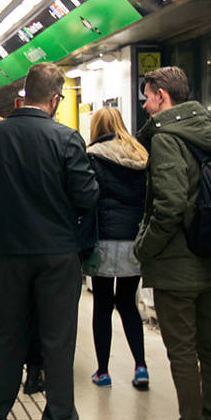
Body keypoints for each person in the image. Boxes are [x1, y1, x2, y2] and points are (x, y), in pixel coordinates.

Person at [0, 62, 99, 420]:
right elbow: (87, 196)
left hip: (9, 255)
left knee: (6, 338)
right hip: (58, 255)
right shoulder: (66, 137)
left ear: (24, 93)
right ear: (56, 98)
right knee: (57, 343)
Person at [134, 66, 211, 420]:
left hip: (175, 260)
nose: (145, 103)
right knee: (208, 346)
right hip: (203, 256)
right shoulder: (205, 134)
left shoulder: (167, 139)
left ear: (163, 98)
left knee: (182, 350)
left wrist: (144, 247)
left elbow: (169, 205)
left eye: (148, 96)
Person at [85, 106, 149, 390]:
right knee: (127, 303)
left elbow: (88, 197)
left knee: (102, 304)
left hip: (104, 239)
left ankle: (103, 371)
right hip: (133, 240)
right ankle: (141, 367)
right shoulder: (140, 154)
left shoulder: (93, 156)